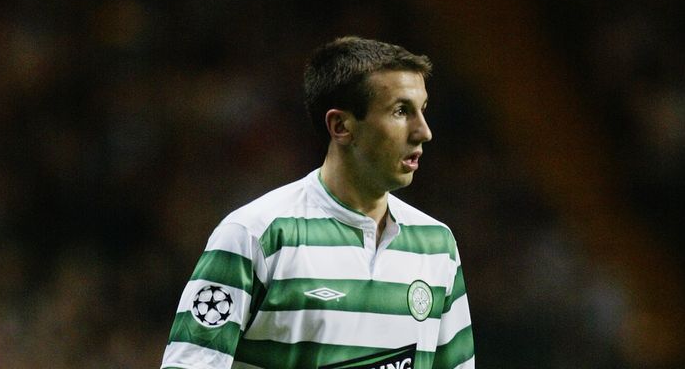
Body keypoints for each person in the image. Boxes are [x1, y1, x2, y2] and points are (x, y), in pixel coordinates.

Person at [160, 37, 475, 369]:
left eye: (422, 111)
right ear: (341, 126)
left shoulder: (437, 245)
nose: (423, 132)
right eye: (401, 111)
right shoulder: (256, 236)